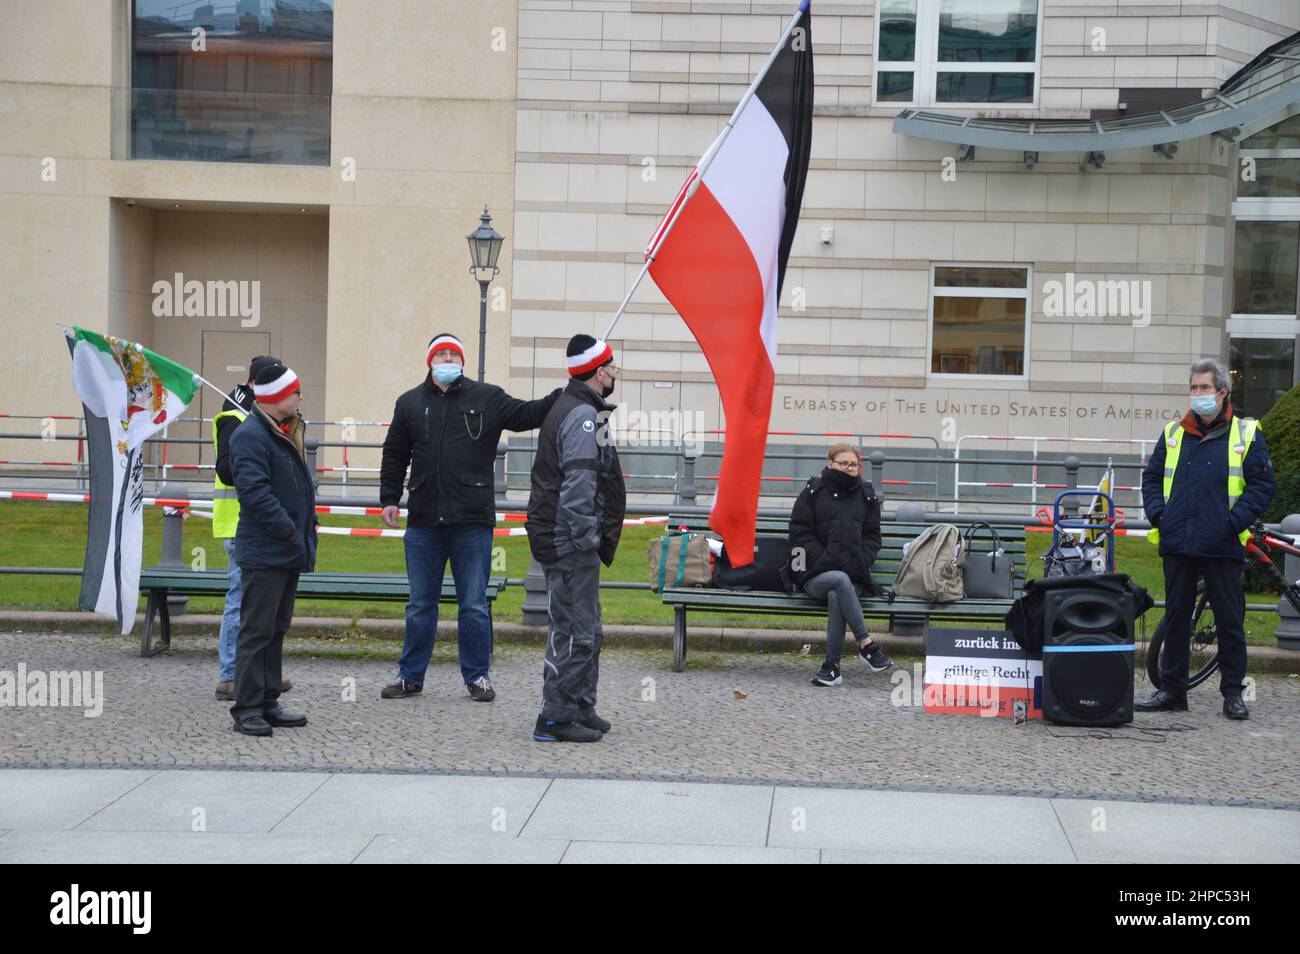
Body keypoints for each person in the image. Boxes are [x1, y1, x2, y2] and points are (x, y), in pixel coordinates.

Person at [378, 333, 559, 703]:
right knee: (419, 605)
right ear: (429, 360)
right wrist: (389, 498)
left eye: (453, 354)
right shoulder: (409, 403)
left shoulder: (487, 397)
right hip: (424, 522)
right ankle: (410, 676)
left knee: (474, 605)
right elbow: (395, 453)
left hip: (472, 521)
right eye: (441, 354)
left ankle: (477, 677)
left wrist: (561, 394)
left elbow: (527, 414)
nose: (447, 359)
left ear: (461, 360)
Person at [1138, 357, 1274, 720]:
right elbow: (1151, 479)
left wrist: (1233, 523)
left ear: (1222, 392)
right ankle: (1172, 690)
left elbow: (1262, 486)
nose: (1198, 394)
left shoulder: (1245, 433)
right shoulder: (1174, 432)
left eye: (1204, 388)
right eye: (1194, 388)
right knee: (1177, 618)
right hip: (1178, 540)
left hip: (1223, 543)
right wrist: (1160, 516)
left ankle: (1233, 693)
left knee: (1230, 621)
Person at [526, 335, 625, 742]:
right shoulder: (583, 414)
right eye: (613, 367)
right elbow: (578, 484)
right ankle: (555, 717)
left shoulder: (582, 408)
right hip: (569, 541)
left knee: (588, 626)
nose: (616, 373)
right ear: (599, 372)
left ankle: (582, 706)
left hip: (571, 538)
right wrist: (587, 538)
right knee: (573, 630)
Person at [228, 364, 316, 736]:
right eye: (295, 392)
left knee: (276, 629)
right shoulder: (251, 435)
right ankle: (246, 707)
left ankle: (268, 700)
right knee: (256, 630)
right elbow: (254, 492)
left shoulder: (282, 430)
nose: (300, 397)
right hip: (267, 549)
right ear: (278, 397)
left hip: (286, 548)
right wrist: (288, 529)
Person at [211, 355, 293, 701]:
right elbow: (227, 471)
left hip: (258, 524)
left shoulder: (263, 416)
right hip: (239, 523)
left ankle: (257, 674)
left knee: (258, 605)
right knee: (240, 600)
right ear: (256, 385)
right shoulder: (236, 416)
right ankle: (231, 675)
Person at [788, 444, 892, 686]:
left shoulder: (866, 495)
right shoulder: (813, 492)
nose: (849, 468)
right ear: (830, 464)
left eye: (853, 464)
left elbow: (872, 537)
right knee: (837, 579)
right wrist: (825, 560)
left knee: (839, 592)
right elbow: (799, 535)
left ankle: (831, 669)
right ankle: (866, 644)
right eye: (844, 463)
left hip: (853, 575)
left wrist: (859, 560)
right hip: (815, 574)